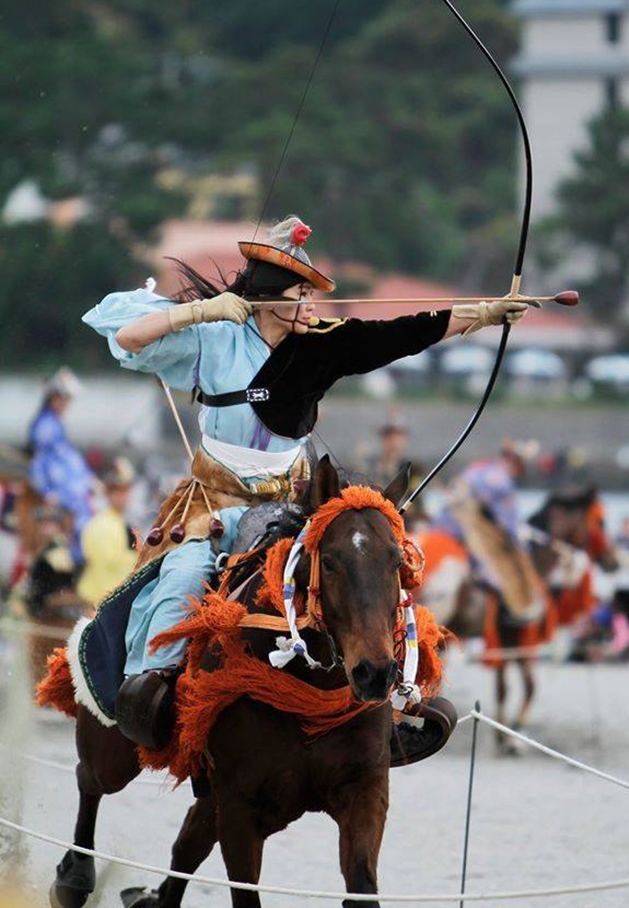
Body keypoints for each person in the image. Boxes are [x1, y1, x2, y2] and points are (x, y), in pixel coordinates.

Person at [77, 215, 528, 737]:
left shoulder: (318, 347)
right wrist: (202, 311)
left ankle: (397, 696)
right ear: (270, 298)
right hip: (214, 504)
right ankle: (152, 698)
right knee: (181, 583)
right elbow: (130, 338)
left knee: (367, 572)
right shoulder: (215, 338)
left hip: (292, 503)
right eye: (301, 293)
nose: (312, 305)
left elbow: (401, 333)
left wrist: (487, 314)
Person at [27, 368, 97, 567]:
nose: (66, 404)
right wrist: (47, 491)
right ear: (54, 399)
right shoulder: (46, 426)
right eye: (63, 399)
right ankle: (78, 557)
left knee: (87, 498)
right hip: (57, 482)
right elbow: (41, 463)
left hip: (66, 476)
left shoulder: (54, 423)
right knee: (81, 507)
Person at [77, 458, 139, 609]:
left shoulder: (121, 522)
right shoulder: (102, 524)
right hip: (103, 603)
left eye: (125, 490)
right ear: (107, 493)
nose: (122, 496)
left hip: (110, 601)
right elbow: (110, 568)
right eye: (116, 491)